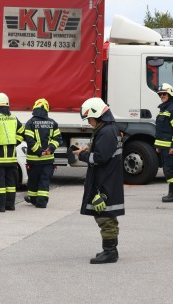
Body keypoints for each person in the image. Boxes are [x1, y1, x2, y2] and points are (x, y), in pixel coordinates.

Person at [74, 97, 124, 264]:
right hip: (107, 179)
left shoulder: (106, 131)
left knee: (104, 215)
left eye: (89, 118)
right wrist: (90, 148)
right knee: (106, 214)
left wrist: (82, 155)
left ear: (96, 114)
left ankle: (110, 252)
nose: (89, 122)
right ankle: (110, 249)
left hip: (105, 181)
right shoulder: (108, 129)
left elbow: (100, 158)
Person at [0, 92, 25, 212]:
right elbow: (22, 132)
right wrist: (15, 143)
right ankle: (10, 205)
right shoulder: (14, 118)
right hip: (11, 157)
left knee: (0, 183)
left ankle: (0, 206)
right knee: (10, 183)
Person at [23, 98, 62, 208]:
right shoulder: (52, 123)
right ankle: (42, 201)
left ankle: (33, 199)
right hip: (48, 160)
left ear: (35, 108)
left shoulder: (30, 123)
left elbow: (29, 139)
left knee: (33, 180)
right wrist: (50, 149)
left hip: (33, 159)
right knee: (44, 180)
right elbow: (58, 139)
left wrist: (39, 151)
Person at [153, 83, 173, 203]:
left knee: (171, 171)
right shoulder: (163, 109)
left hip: (170, 147)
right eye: (160, 94)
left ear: (170, 94)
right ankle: (172, 192)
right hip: (163, 147)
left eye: (164, 94)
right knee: (167, 170)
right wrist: (158, 146)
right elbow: (160, 130)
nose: (162, 96)